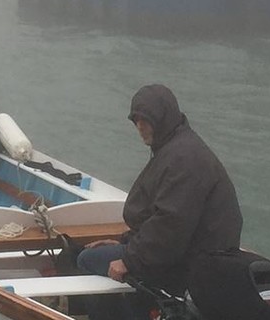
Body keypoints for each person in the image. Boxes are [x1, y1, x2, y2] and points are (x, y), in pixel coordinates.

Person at [75, 84, 243, 318]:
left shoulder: (183, 159)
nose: (140, 127)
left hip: (192, 267)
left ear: (163, 119)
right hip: (191, 257)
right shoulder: (179, 147)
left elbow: (170, 225)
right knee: (106, 256)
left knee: (86, 260)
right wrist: (123, 242)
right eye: (136, 121)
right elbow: (161, 220)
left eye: (146, 120)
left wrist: (129, 260)